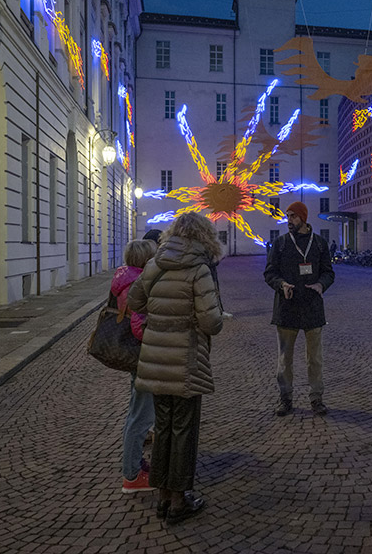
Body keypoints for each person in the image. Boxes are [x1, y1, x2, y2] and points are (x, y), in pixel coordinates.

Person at [127, 212, 224, 524]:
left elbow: (134, 301)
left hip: (155, 360)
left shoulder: (155, 264)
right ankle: (179, 500)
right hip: (185, 361)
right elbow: (212, 322)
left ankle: (163, 497)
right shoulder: (198, 270)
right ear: (202, 237)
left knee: (164, 428)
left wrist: (160, 315)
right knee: (184, 430)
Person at [264, 201, 335, 416]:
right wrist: (281, 285)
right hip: (287, 308)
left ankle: (316, 398)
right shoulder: (281, 244)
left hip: (313, 308)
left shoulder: (320, 244)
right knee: (285, 360)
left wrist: (321, 284)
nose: (289, 221)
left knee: (315, 359)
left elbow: (328, 272)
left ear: (303, 218)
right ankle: (285, 399)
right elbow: (269, 273)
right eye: (288, 217)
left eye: (293, 217)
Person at [111, 239, 158, 492]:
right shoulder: (137, 284)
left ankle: (135, 465)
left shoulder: (125, 279)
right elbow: (139, 325)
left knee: (136, 412)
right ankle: (131, 475)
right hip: (142, 355)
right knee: (141, 417)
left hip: (135, 355)